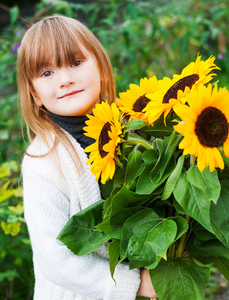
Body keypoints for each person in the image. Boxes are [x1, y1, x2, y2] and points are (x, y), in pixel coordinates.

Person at [17, 15, 157, 300]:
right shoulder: (41, 162)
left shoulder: (133, 127)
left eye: (76, 63)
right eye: (47, 73)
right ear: (35, 94)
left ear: (102, 69)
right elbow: (53, 258)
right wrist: (135, 284)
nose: (66, 79)